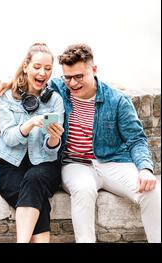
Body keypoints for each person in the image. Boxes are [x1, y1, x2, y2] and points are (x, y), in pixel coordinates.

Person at [49, 43, 161, 243]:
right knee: (83, 190)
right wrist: (10, 83)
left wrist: (145, 169)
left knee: (152, 191)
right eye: (68, 77)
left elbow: (136, 139)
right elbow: (31, 84)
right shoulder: (58, 88)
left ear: (93, 70)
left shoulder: (117, 100)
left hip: (113, 162)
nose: (73, 83)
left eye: (79, 76)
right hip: (75, 164)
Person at [0, 43, 65, 243]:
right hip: (11, 164)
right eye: (37, 67)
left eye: (48, 68)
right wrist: (30, 124)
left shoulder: (55, 101)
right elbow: (8, 137)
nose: (42, 72)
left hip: (44, 163)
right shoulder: (7, 96)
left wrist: (54, 138)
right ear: (25, 66)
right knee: (37, 199)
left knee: (34, 180)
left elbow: (51, 152)